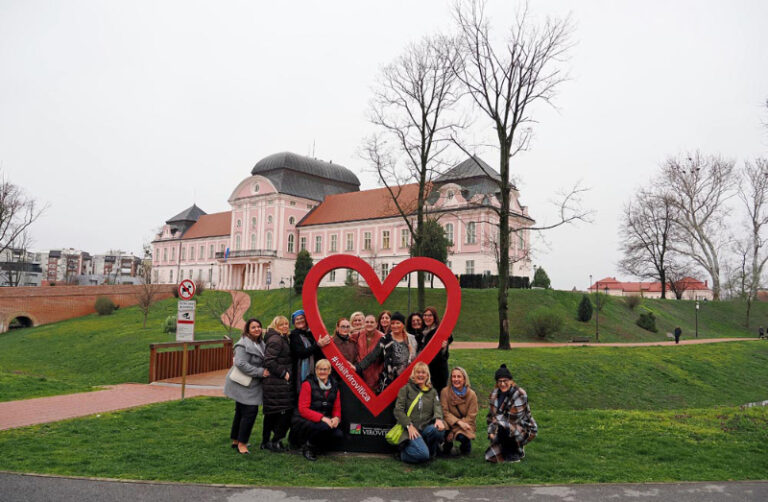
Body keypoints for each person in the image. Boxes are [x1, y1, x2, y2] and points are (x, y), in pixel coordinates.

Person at [224, 318, 269, 455]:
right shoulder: (242, 344)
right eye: (253, 327)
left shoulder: (260, 343)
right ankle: (242, 444)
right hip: (242, 383)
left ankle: (236, 440)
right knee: (250, 412)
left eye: (259, 327)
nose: (257, 329)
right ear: (247, 330)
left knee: (241, 411)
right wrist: (260, 372)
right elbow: (240, 363)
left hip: (250, 384)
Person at [290, 358, 343, 461]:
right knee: (324, 427)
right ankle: (308, 447)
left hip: (323, 420)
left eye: (325, 369)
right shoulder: (307, 384)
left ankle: (317, 446)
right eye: (319, 369)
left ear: (329, 371)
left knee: (338, 434)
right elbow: (303, 409)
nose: (322, 372)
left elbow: (337, 407)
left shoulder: (335, 386)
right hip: (304, 419)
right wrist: (323, 418)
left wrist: (336, 418)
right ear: (316, 370)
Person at [393, 362, 446, 464]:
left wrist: (439, 419)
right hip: (410, 431)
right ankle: (403, 453)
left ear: (427, 375)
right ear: (414, 374)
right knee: (423, 455)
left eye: (423, 373)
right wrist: (409, 425)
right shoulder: (406, 389)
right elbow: (398, 410)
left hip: (425, 429)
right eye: (418, 372)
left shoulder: (432, 392)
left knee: (439, 430)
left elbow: (437, 406)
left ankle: (430, 453)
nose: (420, 375)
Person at [485, 364, 537, 463]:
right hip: (501, 427)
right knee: (490, 457)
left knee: (504, 427)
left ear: (511, 381)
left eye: (505, 381)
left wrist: (495, 427)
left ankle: (514, 454)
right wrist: (490, 432)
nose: (502, 384)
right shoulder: (494, 394)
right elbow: (490, 416)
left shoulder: (520, 393)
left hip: (522, 427)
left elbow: (514, 418)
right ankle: (513, 450)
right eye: (500, 381)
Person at [356, 312, 417, 392]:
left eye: (398, 323)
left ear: (403, 324)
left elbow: (416, 359)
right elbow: (373, 355)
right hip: (390, 380)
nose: (395, 326)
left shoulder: (411, 339)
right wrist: (358, 367)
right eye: (392, 323)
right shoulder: (385, 339)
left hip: (408, 380)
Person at [262, 315, 294, 452]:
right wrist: (283, 373)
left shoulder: (282, 338)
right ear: (276, 326)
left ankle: (270, 441)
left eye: (287, 324)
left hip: (278, 384)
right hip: (276, 383)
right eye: (282, 324)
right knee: (281, 413)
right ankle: (272, 441)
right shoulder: (276, 339)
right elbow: (269, 360)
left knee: (274, 413)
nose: (285, 326)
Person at [289, 309, 331, 396]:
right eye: (297, 319)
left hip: (317, 369)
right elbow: (301, 353)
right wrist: (318, 345)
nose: (300, 320)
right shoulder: (294, 335)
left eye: (302, 318)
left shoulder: (311, 333)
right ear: (294, 323)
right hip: (301, 371)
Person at [439, 366, 478, 456]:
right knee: (441, 428)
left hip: (466, 423)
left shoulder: (472, 395)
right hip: (449, 422)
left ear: (464, 379)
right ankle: (447, 446)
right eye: (454, 376)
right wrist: (458, 422)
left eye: (459, 377)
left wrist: (454, 431)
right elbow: (444, 412)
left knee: (463, 435)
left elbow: (471, 416)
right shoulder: (445, 392)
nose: (456, 379)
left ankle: (465, 446)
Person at [420, 306, 454, 393]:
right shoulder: (423, 332)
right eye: (425, 315)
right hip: (427, 371)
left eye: (430, 315)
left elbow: (444, 354)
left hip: (438, 372)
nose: (427, 318)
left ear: (434, 317)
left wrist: (444, 347)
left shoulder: (438, 332)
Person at [356, 314, 385, 391]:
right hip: (360, 375)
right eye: (367, 322)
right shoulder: (358, 335)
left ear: (376, 324)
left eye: (372, 322)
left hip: (376, 376)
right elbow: (345, 337)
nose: (369, 324)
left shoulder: (382, 337)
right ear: (364, 324)